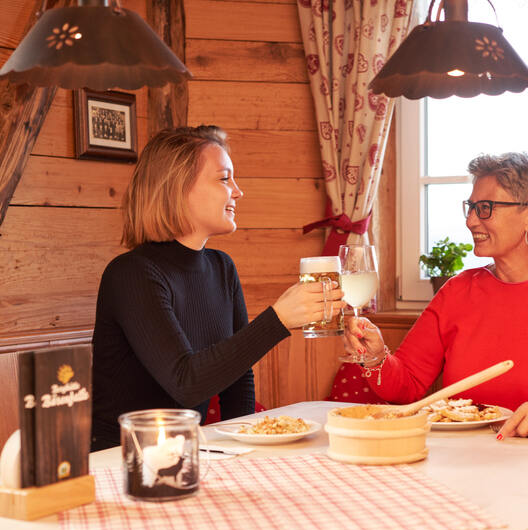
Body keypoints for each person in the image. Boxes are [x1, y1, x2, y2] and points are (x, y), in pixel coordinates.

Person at [343, 151, 528, 439]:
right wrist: (376, 356)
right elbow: (407, 386)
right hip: (466, 461)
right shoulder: (458, 291)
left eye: (486, 208)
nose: (470, 221)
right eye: (470, 207)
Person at [91, 125, 344, 450]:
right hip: (122, 460)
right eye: (224, 179)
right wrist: (278, 319)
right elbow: (187, 383)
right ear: (177, 188)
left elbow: (238, 382)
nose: (237, 192)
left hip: (186, 452)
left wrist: (244, 450)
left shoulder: (221, 267)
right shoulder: (131, 274)